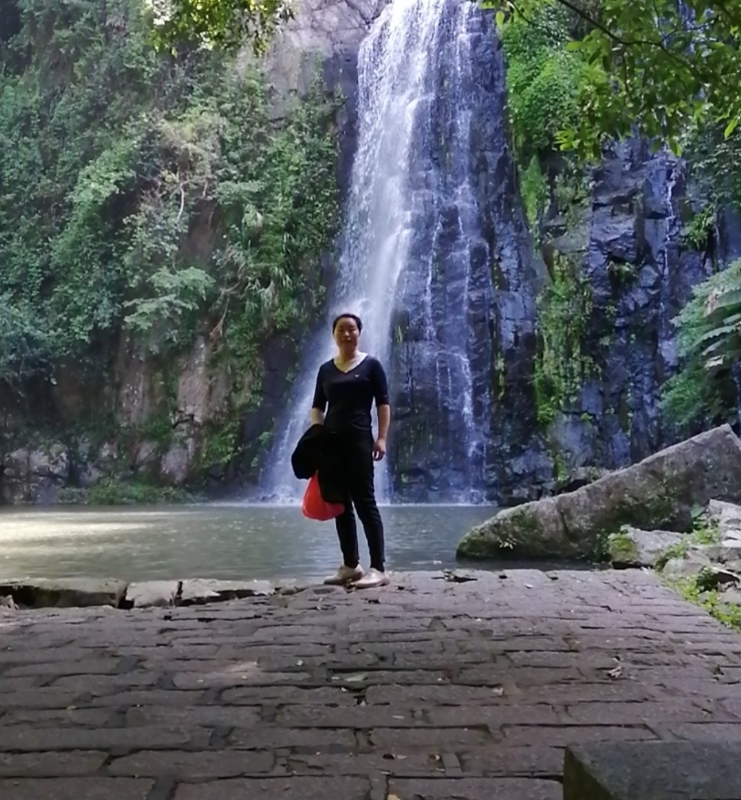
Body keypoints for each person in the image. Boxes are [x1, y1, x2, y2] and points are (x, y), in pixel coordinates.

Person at [310, 313, 391, 589]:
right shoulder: (325, 370)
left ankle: (378, 567)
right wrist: (317, 434)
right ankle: (350, 565)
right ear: (334, 335)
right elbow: (317, 407)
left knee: (365, 503)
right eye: (341, 330)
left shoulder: (371, 366)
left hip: (359, 441)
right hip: (331, 444)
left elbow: (383, 404)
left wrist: (381, 438)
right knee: (340, 505)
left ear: (359, 333)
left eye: (352, 329)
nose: (347, 334)